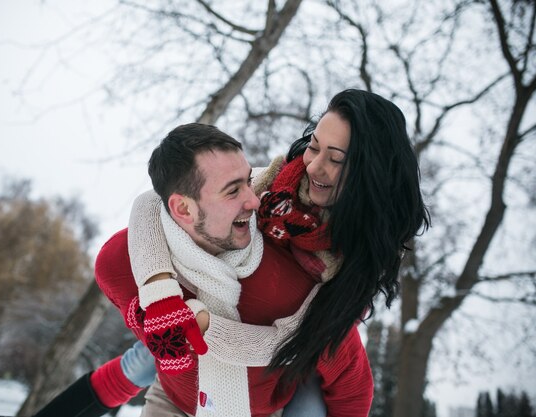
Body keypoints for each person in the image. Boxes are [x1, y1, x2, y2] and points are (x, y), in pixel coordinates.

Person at [28, 88, 429, 416]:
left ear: (370, 171)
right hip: (205, 306)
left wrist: (201, 329)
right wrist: (160, 299)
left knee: (308, 403)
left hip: (277, 359)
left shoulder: (352, 265)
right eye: (314, 146)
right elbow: (160, 200)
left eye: (335, 159)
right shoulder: (270, 184)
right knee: (148, 356)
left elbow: (309, 345)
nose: (312, 166)